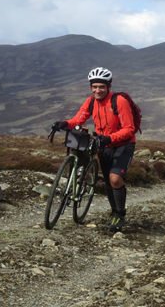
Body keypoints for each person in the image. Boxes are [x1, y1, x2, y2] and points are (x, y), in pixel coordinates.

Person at [52, 67, 136, 233]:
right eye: (94, 86)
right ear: (91, 87)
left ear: (108, 86)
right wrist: (65, 123)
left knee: (115, 179)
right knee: (107, 181)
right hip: (103, 144)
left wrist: (110, 138)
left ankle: (120, 214)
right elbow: (79, 119)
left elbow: (129, 128)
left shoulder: (119, 101)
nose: (98, 90)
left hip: (123, 145)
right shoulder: (90, 101)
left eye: (101, 87)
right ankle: (114, 211)